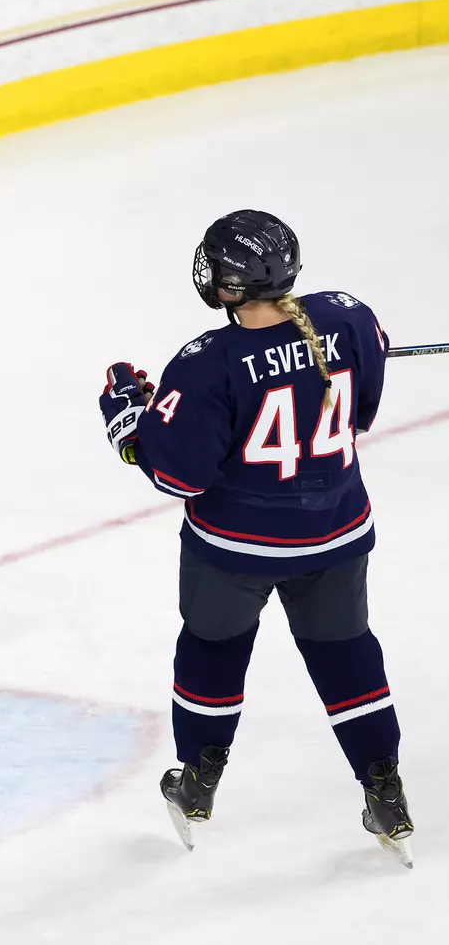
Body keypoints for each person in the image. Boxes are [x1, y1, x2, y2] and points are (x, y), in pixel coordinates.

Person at [99, 209, 413, 865]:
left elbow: (178, 475)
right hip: (336, 531)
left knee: (212, 647)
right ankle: (384, 786)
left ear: (230, 285)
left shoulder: (205, 364)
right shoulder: (348, 316)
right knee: (345, 651)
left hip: (236, 547)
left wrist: (135, 426)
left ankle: (198, 781)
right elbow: (364, 409)